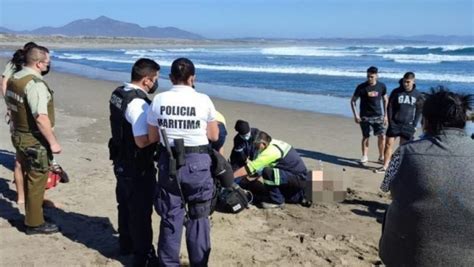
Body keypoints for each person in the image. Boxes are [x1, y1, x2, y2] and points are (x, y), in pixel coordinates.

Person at [379, 87, 474, 266]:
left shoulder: (406, 152)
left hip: (407, 257)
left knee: (392, 209)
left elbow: (386, 187)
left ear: (426, 121)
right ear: (463, 121)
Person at [147, 58, 219, 266]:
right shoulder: (203, 100)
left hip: (168, 162)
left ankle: (168, 263)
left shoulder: (159, 100)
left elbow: (152, 137)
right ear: (192, 78)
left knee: (171, 216)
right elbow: (213, 135)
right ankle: (199, 262)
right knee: (199, 216)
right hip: (197, 163)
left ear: (171, 78)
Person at [108, 58, 160, 266]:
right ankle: (144, 255)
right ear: (147, 80)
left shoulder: (118, 93)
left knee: (125, 203)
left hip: (121, 158)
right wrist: (157, 137)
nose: (157, 82)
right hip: (136, 164)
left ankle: (126, 243)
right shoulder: (138, 103)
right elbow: (141, 140)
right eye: (156, 78)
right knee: (140, 210)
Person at [5, 46, 61, 235]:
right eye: (47, 62)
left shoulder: (15, 78)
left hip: (19, 134)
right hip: (33, 139)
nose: (49, 65)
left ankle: (34, 213)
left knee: (29, 174)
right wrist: (53, 142)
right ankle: (34, 223)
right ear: (39, 64)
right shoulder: (34, 84)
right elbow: (40, 117)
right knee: (37, 179)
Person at [1, 41, 38, 204]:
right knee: (21, 158)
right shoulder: (16, 65)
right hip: (20, 112)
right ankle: (24, 196)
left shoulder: (23, 68)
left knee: (20, 156)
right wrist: (9, 105)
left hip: (19, 110)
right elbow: (3, 82)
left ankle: (23, 195)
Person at [233, 131, 308, 209]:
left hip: (298, 178)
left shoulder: (270, 152)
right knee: (285, 194)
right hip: (295, 176)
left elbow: (249, 168)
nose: (255, 147)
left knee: (267, 172)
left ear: (263, 144)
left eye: (256, 145)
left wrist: (231, 177)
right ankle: (300, 195)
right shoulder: (274, 143)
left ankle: (277, 201)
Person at [375, 72, 423, 173]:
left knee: (403, 148)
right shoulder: (396, 92)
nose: (406, 84)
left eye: (408, 82)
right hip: (395, 123)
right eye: (405, 81)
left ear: (413, 81)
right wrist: (390, 120)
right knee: (388, 144)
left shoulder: (417, 94)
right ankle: (385, 166)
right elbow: (390, 107)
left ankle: (399, 167)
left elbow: (419, 110)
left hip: (408, 125)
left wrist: (414, 124)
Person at [350, 66, 388, 164]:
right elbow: (353, 101)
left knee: (382, 136)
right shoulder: (361, 87)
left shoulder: (382, 86)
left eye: (371, 76)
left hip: (378, 116)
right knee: (365, 136)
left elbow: (385, 100)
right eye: (368, 76)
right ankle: (364, 156)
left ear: (376, 76)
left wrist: (386, 115)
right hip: (365, 116)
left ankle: (381, 156)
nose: (369, 79)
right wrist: (356, 115)